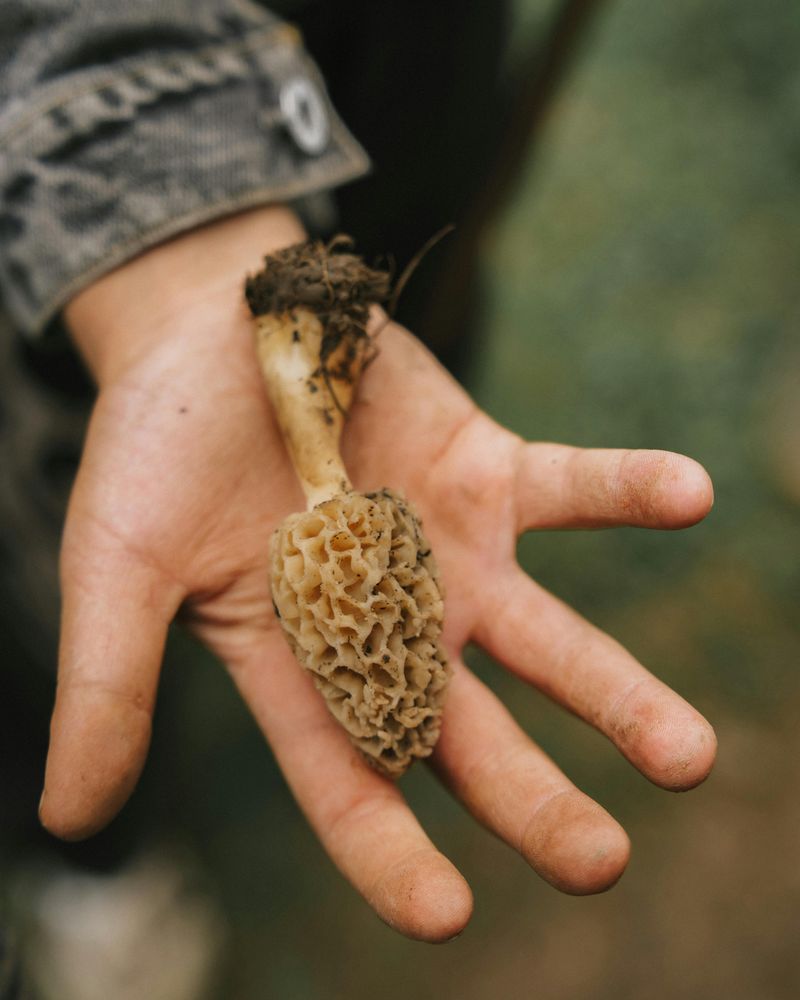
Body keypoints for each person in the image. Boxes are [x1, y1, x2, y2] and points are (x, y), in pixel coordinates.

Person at [1, 1, 716, 945]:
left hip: (412, 88)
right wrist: (160, 234)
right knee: (57, 581)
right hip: (73, 213)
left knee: (414, 226)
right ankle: (104, 860)